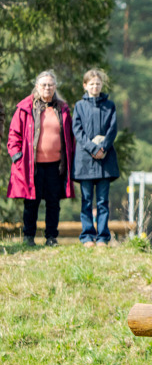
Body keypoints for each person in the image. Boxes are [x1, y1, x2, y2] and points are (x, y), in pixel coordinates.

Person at [6, 70, 76, 246]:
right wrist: (17, 156)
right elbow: (14, 134)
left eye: (50, 84)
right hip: (32, 165)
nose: (47, 87)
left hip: (55, 165)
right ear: (37, 86)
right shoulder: (25, 107)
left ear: (55, 87)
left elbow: (71, 135)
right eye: (44, 84)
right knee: (31, 203)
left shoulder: (63, 108)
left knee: (53, 203)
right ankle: (28, 237)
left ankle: (51, 237)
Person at [72, 68, 120, 247]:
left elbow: (113, 129)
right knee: (86, 200)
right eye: (91, 84)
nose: (95, 86)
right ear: (85, 85)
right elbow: (77, 131)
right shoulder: (79, 106)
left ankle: (102, 237)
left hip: (105, 161)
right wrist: (92, 148)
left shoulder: (110, 105)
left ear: (102, 85)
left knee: (102, 201)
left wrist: (103, 147)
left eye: (98, 84)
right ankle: (86, 236)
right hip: (85, 161)